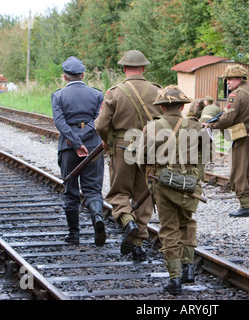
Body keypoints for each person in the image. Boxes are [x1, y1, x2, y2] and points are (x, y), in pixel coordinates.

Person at [139, 85, 207, 295]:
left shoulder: (152, 127)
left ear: (162, 108)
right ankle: (188, 269)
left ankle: (175, 279)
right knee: (187, 222)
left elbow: (142, 160)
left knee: (169, 228)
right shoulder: (196, 126)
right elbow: (205, 156)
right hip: (190, 185)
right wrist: (195, 178)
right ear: (183, 105)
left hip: (163, 183)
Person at [95, 50, 162, 261]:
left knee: (118, 193)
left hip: (123, 149)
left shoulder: (114, 93)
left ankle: (127, 221)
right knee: (144, 197)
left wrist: (108, 140)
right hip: (149, 150)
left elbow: (101, 125)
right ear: (143, 68)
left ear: (124, 68)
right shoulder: (157, 92)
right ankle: (138, 245)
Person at [51, 56, 106, 246]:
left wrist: (75, 142)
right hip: (93, 146)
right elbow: (98, 121)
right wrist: (84, 138)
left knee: (70, 189)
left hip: (68, 147)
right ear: (83, 74)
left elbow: (60, 122)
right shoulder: (97, 95)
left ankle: (74, 234)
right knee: (93, 189)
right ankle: (97, 217)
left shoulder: (58, 96)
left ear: (65, 77)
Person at [203, 65, 249, 217]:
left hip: (242, 137)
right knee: (247, 166)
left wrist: (211, 125)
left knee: (237, 171)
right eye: (227, 79)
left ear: (240, 78)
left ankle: (245, 206)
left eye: (230, 79)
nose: (227, 82)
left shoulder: (236, 95)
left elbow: (228, 118)